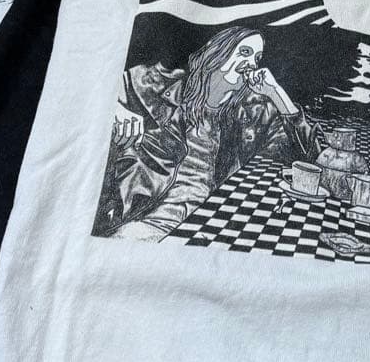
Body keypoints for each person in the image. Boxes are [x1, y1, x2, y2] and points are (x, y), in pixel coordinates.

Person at [93, 26, 321, 240]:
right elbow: (98, 85)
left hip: (210, 228)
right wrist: (116, 109)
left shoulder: (251, 112)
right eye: (244, 52)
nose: (251, 64)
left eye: (257, 58)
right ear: (216, 52)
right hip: (147, 225)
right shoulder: (160, 85)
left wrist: (276, 93)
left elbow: (311, 158)